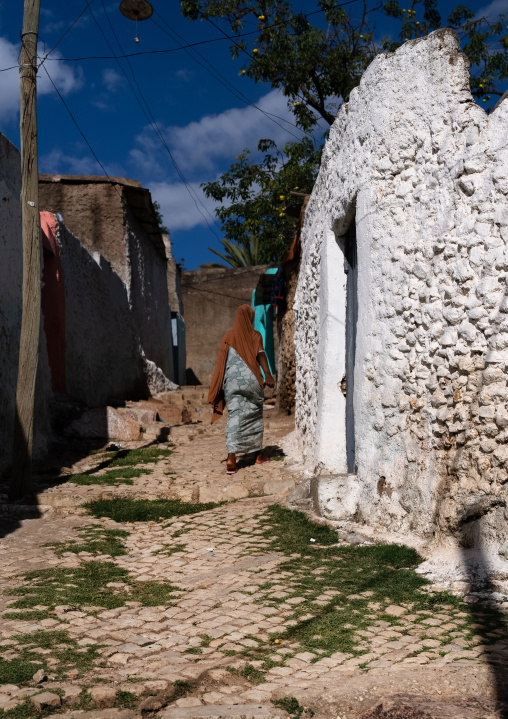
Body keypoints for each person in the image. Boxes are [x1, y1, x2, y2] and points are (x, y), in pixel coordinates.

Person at [208, 304, 275, 474]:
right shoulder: (255, 335)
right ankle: (258, 456)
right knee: (254, 415)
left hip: (232, 382)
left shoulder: (228, 337)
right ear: (250, 319)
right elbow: (261, 355)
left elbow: (221, 363)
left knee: (236, 415)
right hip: (252, 380)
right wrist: (268, 375)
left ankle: (231, 457)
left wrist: (217, 384)